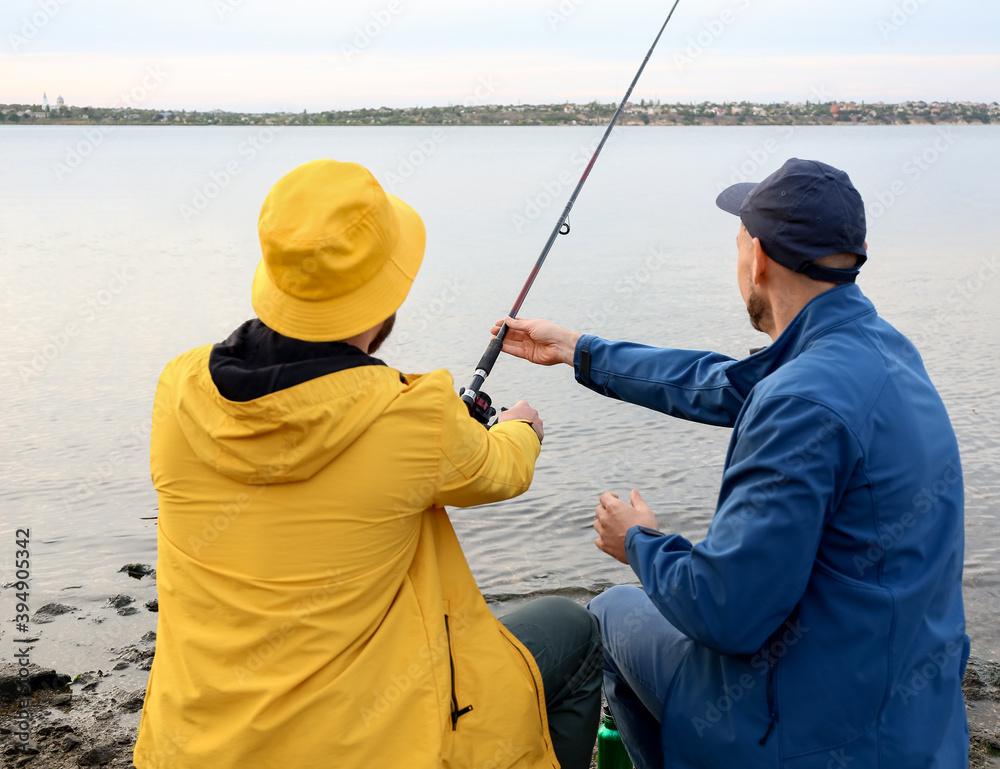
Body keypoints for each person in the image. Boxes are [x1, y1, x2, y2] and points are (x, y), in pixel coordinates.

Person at [492, 158, 969, 768]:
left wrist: (639, 542)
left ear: (759, 259)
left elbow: (727, 615)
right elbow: (720, 383)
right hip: (914, 719)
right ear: (856, 253)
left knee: (610, 614)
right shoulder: (880, 351)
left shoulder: (799, 402)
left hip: (812, 735)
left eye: (739, 242)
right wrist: (578, 351)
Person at [133, 159, 601, 769]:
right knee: (576, 632)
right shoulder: (412, 418)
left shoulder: (179, 387)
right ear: (386, 297)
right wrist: (522, 428)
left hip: (187, 748)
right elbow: (501, 470)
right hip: (362, 749)